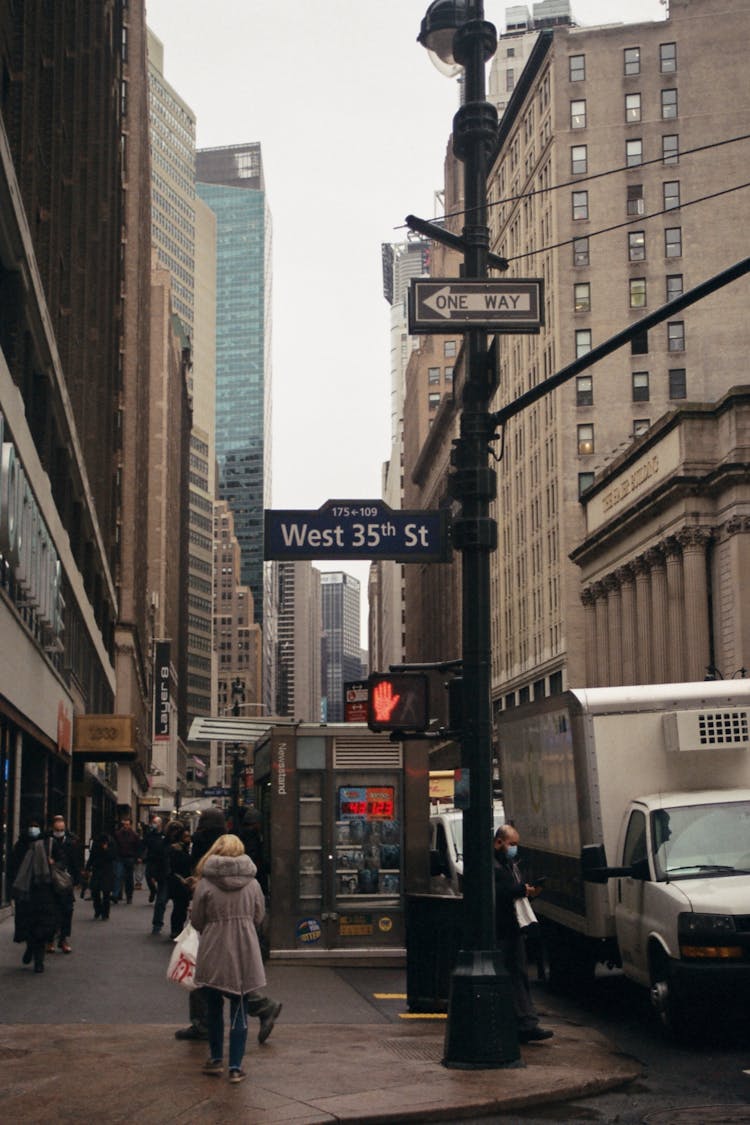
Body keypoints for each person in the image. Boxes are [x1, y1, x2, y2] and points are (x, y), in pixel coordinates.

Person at [174, 807, 281, 1045]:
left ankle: (209, 1026)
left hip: (214, 930)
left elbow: (199, 917)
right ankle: (260, 1010)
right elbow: (258, 913)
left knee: (209, 978)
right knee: (232, 980)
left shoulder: (204, 850)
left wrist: (198, 891)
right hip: (242, 932)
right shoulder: (248, 875)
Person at [191, 834, 267, 1083]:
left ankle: (215, 1060)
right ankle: (235, 1067)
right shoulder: (253, 883)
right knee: (240, 1007)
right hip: (245, 947)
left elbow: (197, 920)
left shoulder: (205, 883)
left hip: (214, 946)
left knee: (213, 1006)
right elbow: (259, 917)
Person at [493, 823, 553, 1044]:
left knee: (518, 974)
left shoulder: (509, 864)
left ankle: (525, 1021)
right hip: (503, 928)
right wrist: (521, 890)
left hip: (513, 927)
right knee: (513, 974)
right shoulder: (495, 865)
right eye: (512, 844)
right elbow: (499, 893)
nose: (514, 848)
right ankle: (522, 1022)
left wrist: (528, 891)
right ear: (499, 842)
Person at [10, 821, 59, 973]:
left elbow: (61, 862)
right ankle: (31, 948)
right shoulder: (21, 846)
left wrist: (54, 863)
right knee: (30, 925)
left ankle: (39, 960)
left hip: (43, 893)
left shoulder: (47, 844)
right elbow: (13, 868)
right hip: (27, 894)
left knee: (41, 927)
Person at [46, 814, 81, 954]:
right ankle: (49, 939)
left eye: (61, 829)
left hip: (66, 880)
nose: (59, 831)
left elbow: (75, 861)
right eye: (57, 829)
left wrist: (77, 879)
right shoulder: (47, 840)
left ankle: (63, 939)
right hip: (50, 879)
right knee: (51, 910)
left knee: (67, 910)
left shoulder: (71, 841)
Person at [142, 815, 170, 934]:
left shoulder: (165, 838)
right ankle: (153, 890)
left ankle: (157, 924)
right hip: (152, 864)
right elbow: (144, 845)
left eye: (155, 822)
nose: (153, 824)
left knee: (161, 900)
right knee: (149, 879)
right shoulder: (150, 835)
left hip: (164, 870)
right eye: (153, 822)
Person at [167, 821, 192, 938]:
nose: (188, 838)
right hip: (178, 880)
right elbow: (174, 866)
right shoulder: (177, 849)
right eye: (186, 836)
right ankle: (176, 929)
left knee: (182, 906)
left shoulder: (187, 848)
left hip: (185, 881)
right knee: (179, 906)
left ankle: (177, 929)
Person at [86, 832, 117, 920]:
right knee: (95, 891)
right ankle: (98, 909)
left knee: (106, 893)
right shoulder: (96, 844)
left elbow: (113, 856)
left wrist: (106, 850)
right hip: (97, 869)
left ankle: (105, 913)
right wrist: (87, 868)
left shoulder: (111, 844)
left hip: (107, 870)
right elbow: (92, 856)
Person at [112, 816, 142, 904]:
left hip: (129, 858)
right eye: (124, 824)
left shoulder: (134, 835)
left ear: (130, 825)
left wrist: (138, 857)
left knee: (129, 878)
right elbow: (115, 846)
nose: (126, 826)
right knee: (118, 875)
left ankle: (129, 896)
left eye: (127, 824)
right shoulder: (118, 834)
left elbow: (138, 847)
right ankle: (116, 894)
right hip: (120, 857)